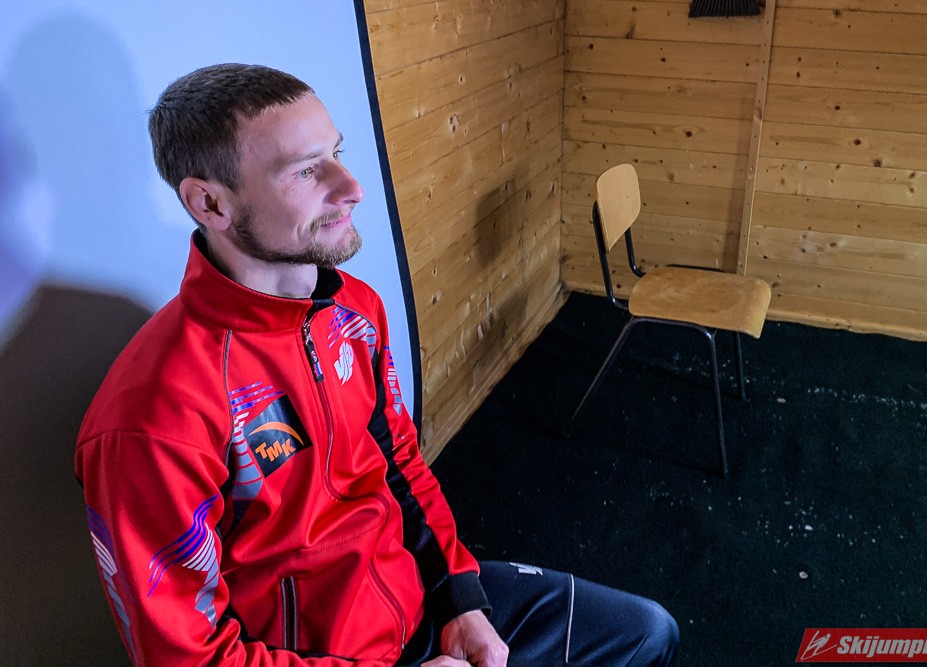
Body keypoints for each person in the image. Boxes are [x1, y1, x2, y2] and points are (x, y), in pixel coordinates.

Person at [76, 63, 679, 667]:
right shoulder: (152, 417)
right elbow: (187, 658)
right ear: (210, 202)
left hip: (421, 604)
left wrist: (460, 598)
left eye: (336, 153)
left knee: (647, 633)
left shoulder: (355, 310)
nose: (352, 187)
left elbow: (401, 466)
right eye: (306, 170)